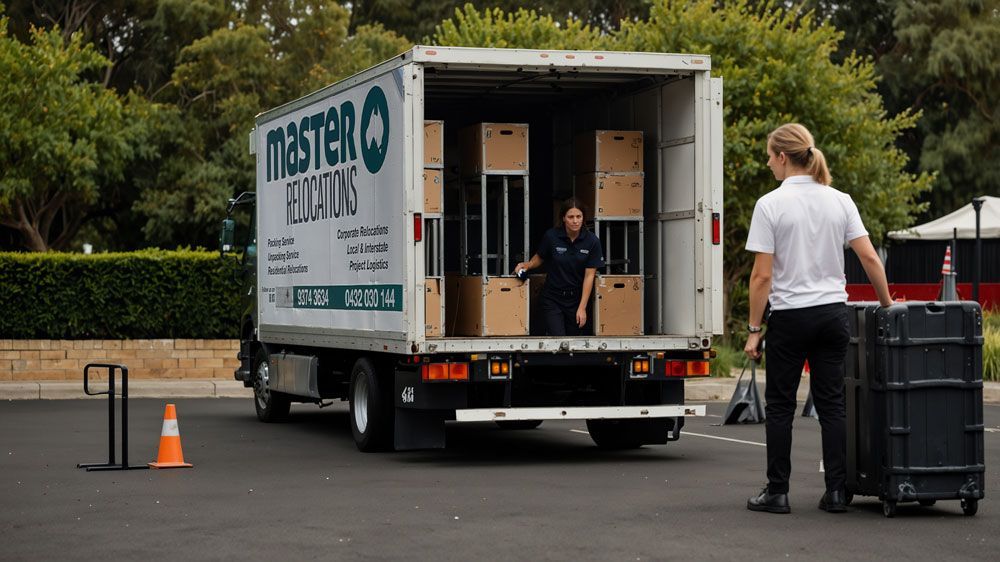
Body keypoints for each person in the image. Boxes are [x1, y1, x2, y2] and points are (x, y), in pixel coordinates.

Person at [743, 123, 893, 515]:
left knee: (779, 406)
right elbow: (870, 258)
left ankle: (778, 492)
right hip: (831, 315)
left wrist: (754, 331)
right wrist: (887, 303)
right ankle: (838, 492)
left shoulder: (770, 204)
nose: (768, 164)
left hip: (790, 317)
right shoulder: (840, 200)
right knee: (832, 406)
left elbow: (761, 277)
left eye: (769, 156)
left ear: (781, 156)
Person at [513, 197, 604, 336]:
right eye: (571, 217)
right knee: (558, 337)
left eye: (579, 216)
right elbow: (540, 257)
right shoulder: (552, 236)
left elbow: (589, 276)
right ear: (563, 218)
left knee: (573, 341)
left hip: (576, 299)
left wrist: (582, 308)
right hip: (552, 298)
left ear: (583, 218)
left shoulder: (592, 241)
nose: (575, 221)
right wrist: (528, 265)